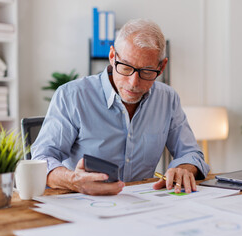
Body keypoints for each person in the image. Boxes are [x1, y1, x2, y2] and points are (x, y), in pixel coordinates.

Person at [31, 18, 209, 196]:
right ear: (112, 57)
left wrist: (184, 168)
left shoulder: (167, 99)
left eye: (147, 72)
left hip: (142, 205)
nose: (133, 83)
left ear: (161, 67)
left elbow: (191, 153)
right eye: (125, 67)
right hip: (85, 203)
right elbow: (41, 159)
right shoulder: (72, 96)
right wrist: (74, 181)